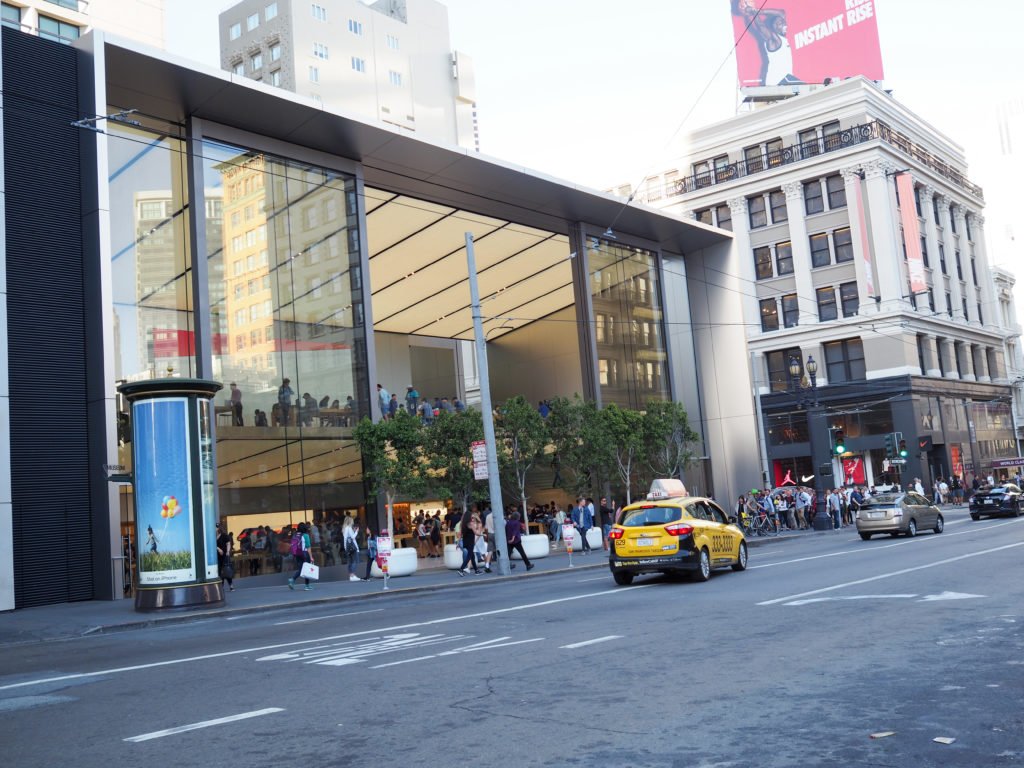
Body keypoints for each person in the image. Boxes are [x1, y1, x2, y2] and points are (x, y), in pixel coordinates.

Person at [732, 0, 803, 87]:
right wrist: (754, 13)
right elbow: (761, 27)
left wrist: (758, 11)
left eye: (784, 22)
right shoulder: (774, 40)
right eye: (780, 23)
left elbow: (782, 13)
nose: (784, 25)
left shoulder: (783, 40)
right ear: (773, 28)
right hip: (778, 82)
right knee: (807, 90)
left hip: (786, 81)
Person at [288, 522, 314, 590]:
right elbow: (308, 547)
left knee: (302, 569)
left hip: (297, 554)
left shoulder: (295, 535)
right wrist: (311, 557)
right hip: (304, 554)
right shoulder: (305, 535)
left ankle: (293, 580)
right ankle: (306, 585)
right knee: (306, 569)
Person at [342, 516, 362, 582]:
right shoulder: (348, 528)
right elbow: (353, 537)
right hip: (352, 547)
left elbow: (346, 539)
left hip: (348, 548)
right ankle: (352, 575)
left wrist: (345, 548)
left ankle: (351, 575)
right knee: (355, 561)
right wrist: (356, 531)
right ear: (350, 521)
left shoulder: (344, 529)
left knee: (350, 562)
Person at [216, 523, 234, 592]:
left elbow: (228, 544)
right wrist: (218, 549)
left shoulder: (224, 535)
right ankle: (221, 587)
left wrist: (228, 551)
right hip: (217, 556)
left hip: (224, 555)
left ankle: (231, 585)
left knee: (226, 570)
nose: (215, 529)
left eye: (216, 527)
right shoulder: (213, 536)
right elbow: (211, 544)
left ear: (219, 528)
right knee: (220, 571)